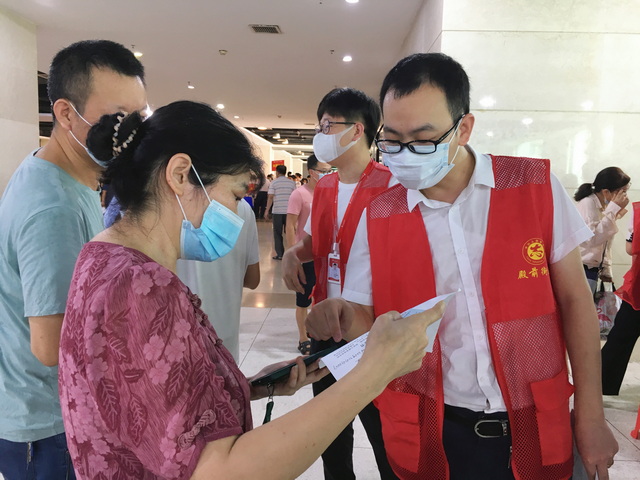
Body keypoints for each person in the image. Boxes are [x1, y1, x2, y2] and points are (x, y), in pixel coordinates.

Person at [57, 100, 443, 479]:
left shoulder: (102, 256)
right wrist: (374, 373)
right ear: (180, 175)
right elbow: (217, 471)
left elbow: (153, 404)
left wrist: (242, 388)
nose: (235, 213)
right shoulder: (141, 287)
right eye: (234, 195)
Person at [306, 53, 619, 480]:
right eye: (392, 140)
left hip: (535, 420)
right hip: (432, 427)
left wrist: (591, 413)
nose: (405, 154)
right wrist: (339, 314)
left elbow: (575, 302)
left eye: (422, 139)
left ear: (464, 128)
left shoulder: (532, 187)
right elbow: (364, 317)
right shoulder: (378, 214)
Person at [0, 40, 147, 479]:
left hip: (49, 413)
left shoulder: (61, 174)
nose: (130, 133)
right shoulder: (54, 207)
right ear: (66, 114)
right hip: (49, 427)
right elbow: (51, 345)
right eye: (118, 118)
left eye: (138, 117)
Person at [283, 87, 398, 480]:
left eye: (327, 126)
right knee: (330, 434)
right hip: (325, 329)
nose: (320, 135)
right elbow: (315, 243)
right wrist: (293, 253)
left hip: (371, 330)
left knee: (384, 434)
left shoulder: (393, 186)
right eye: (320, 126)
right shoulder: (327, 187)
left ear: (357, 130)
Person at [177, 197, 260, 362]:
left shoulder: (162, 203)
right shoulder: (242, 208)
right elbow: (253, 279)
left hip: (177, 342)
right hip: (225, 340)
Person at [285, 154, 332, 355]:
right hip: (305, 254)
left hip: (324, 254)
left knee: (322, 296)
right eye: (323, 171)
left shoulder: (330, 192)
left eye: (330, 171)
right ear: (312, 172)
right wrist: (292, 254)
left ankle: (318, 333)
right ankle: (303, 337)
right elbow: (290, 225)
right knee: (303, 298)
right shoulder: (300, 194)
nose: (327, 174)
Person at [601, 202, 640, 395]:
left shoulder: (638, 212)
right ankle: (600, 385)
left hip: (638, 285)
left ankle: (599, 386)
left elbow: (630, 248)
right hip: (637, 287)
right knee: (621, 335)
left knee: (620, 336)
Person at [574, 167, 630, 293]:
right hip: (582, 269)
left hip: (594, 269)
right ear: (606, 191)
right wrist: (613, 209)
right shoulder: (588, 203)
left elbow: (605, 242)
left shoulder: (603, 205)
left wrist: (607, 269)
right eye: (622, 192)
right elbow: (593, 239)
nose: (624, 196)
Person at [265, 164, 295, 260]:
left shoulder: (274, 182)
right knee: (290, 232)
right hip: (289, 212)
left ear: (277, 172)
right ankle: (292, 253)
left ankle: (280, 254)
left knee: (277, 233)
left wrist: (266, 210)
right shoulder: (292, 183)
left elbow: (270, 197)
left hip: (277, 211)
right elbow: (295, 197)